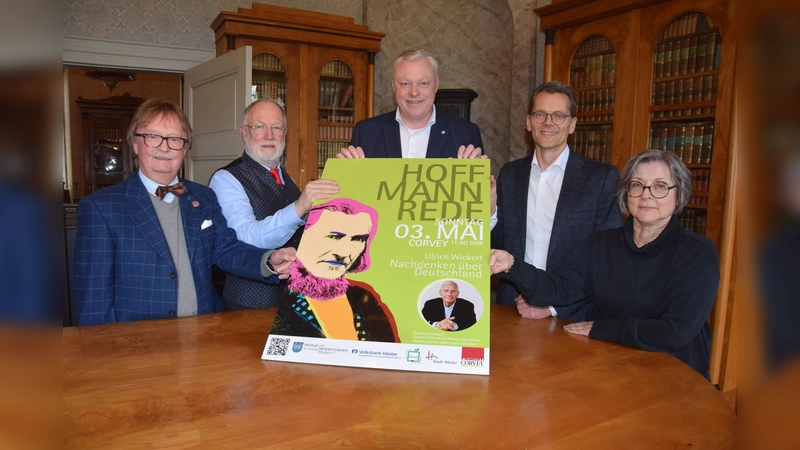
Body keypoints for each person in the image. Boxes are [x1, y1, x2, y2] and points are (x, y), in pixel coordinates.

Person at [489, 149, 720, 376]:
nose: (646, 195)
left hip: (676, 374)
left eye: (660, 186)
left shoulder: (698, 252)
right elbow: (557, 289)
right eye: (637, 185)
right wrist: (511, 264)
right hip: (609, 368)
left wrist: (605, 328)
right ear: (626, 193)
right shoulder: (600, 244)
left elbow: (675, 330)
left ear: (679, 194)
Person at [73, 98, 296, 326]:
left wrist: (269, 261)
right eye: (153, 137)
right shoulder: (101, 208)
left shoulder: (203, 197)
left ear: (185, 148)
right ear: (135, 143)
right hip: (138, 340)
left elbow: (227, 250)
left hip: (204, 332)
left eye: (175, 139)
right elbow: (93, 302)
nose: (164, 147)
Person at [491, 81, 622, 321]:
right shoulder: (510, 174)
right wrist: (489, 212)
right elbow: (496, 245)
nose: (548, 122)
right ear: (528, 122)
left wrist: (552, 307)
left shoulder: (601, 178)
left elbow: (606, 260)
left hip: (568, 316)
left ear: (572, 125)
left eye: (559, 115)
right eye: (540, 114)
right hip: (511, 309)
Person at [209, 98, 340, 310]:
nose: (269, 135)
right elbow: (246, 238)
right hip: (248, 305)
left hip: (294, 299)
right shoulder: (225, 179)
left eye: (276, 127)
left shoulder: (289, 179)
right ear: (244, 132)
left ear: (285, 133)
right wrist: (299, 208)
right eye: (260, 127)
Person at [271, 198, 398, 342]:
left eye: (358, 240)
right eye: (334, 236)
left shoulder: (363, 297)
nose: (344, 253)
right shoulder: (283, 298)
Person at [337, 49, 484, 159]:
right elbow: (351, 188)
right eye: (405, 84)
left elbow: (479, 189)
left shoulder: (466, 133)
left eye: (423, 83)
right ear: (393, 86)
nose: (414, 92)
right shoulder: (366, 132)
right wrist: (342, 175)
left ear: (436, 84)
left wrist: (483, 183)